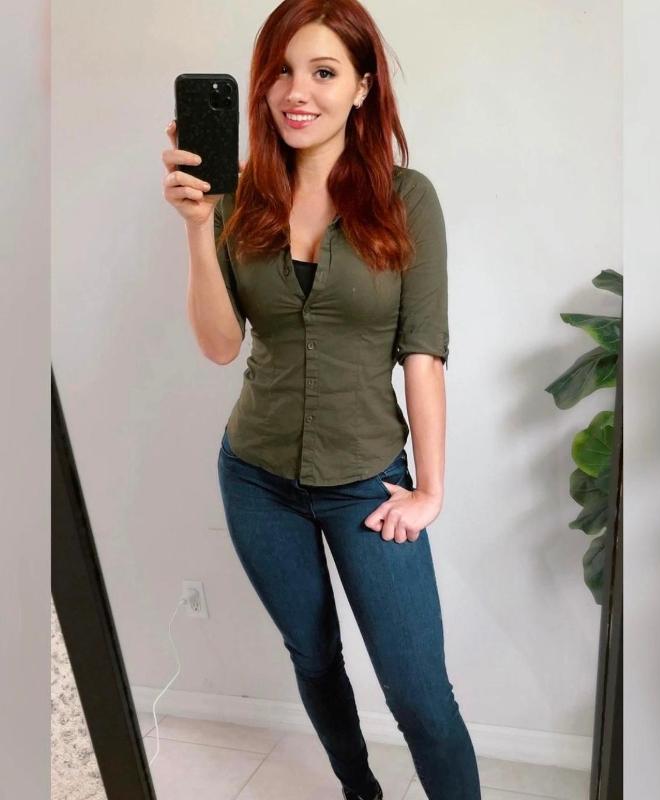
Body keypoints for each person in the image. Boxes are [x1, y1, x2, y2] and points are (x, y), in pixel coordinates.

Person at [162, 1, 481, 798]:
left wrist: (430, 490)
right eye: (280, 71)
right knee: (313, 656)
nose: (296, 92)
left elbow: (422, 352)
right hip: (256, 476)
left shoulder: (407, 199)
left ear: (362, 87)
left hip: (366, 484)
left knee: (420, 697)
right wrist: (198, 227)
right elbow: (219, 345)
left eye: (324, 71)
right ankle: (358, 790)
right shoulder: (239, 198)